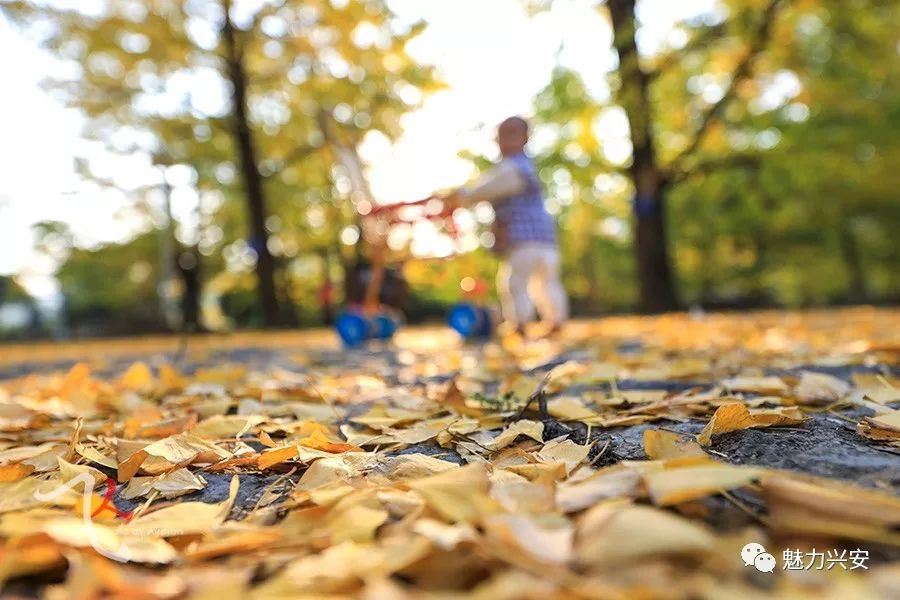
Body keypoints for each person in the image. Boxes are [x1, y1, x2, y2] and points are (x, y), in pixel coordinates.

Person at [446, 116, 568, 338]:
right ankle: (555, 319)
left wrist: (462, 196)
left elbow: (485, 188)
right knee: (546, 282)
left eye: (511, 135)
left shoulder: (513, 169)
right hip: (546, 238)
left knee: (515, 282)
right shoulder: (528, 167)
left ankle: (520, 323)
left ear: (525, 139)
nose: (504, 142)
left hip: (525, 239)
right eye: (501, 136)